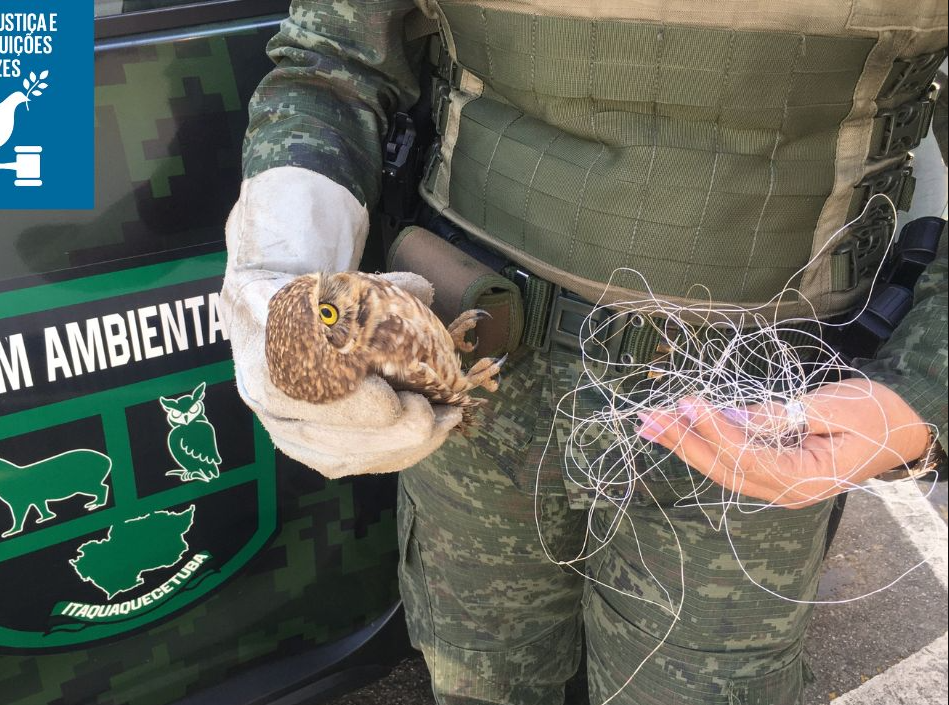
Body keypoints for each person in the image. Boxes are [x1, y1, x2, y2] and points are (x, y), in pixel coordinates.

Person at [221, 2, 948, 703]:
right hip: (473, 368)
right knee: (479, 672)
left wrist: (923, 385)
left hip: (761, 403)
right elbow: (332, 61)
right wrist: (282, 283)